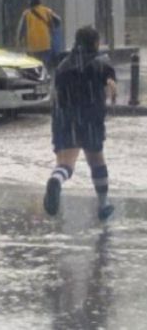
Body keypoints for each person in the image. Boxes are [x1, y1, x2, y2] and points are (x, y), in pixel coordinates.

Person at [43, 25, 117, 221]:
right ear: (95, 42)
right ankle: (103, 204)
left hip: (65, 120)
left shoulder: (63, 65)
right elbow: (109, 76)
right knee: (96, 161)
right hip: (90, 119)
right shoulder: (99, 63)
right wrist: (111, 84)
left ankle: (56, 179)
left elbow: (56, 96)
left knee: (66, 163)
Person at [16, 0, 61, 69]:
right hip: (45, 44)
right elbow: (58, 20)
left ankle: (37, 78)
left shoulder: (26, 14)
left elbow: (21, 30)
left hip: (32, 46)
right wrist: (51, 28)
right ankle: (44, 76)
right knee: (44, 65)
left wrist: (19, 41)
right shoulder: (47, 11)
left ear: (30, 2)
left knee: (33, 66)